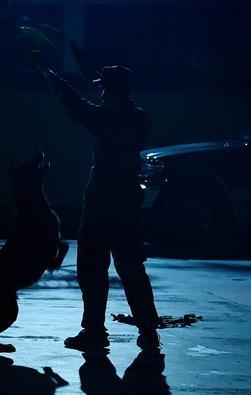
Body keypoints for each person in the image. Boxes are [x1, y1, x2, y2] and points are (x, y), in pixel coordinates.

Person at [32, 49, 161, 351]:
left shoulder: (102, 119)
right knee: (132, 270)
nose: (101, 93)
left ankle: (94, 332)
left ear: (110, 90)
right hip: (129, 206)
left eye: (104, 88)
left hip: (101, 206)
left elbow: (72, 100)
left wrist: (46, 70)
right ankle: (148, 329)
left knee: (92, 270)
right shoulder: (141, 119)